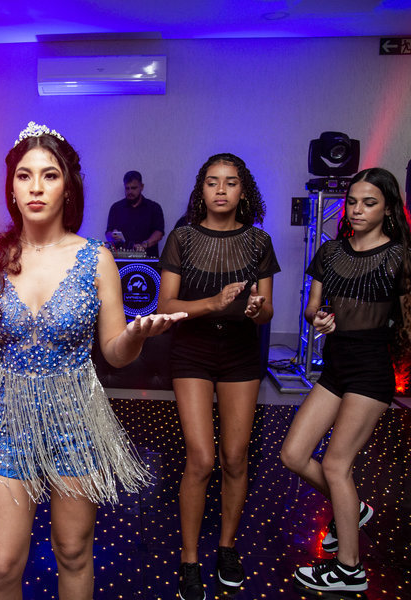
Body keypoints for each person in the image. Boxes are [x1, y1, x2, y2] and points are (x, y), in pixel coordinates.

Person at [0, 121, 184, 599]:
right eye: (24, 176)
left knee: (73, 551)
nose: (36, 187)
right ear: (12, 187)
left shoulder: (96, 259)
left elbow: (115, 353)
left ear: (68, 187)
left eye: (49, 175)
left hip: (77, 420)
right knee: (2, 564)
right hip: (11, 422)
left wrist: (135, 336)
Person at [280, 167, 411, 593]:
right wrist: (318, 319)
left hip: (371, 371)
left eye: (369, 203)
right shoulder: (330, 251)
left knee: (336, 465)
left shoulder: (399, 257)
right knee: (293, 454)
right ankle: (354, 508)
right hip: (335, 368)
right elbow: (312, 307)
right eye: (353, 202)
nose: (357, 210)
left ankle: (349, 569)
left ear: (388, 209)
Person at [156, 153, 279, 600]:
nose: (221, 190)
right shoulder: (183, 238)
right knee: (202, 459)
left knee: (236, 457)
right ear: (201, 190)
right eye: (212, 182)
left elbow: (266, 312)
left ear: (243, 191)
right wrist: (213, 303)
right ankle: (189, 559)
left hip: (241, 354)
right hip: (192, 350)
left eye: (230, 182)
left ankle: (226, 547)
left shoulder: (259, 241)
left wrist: (255, 309)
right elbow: (166, 307)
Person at [105, 170, 165, 257]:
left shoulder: (154, 208)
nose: (130, 192)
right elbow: (108, 233)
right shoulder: (116, 208)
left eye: (134, 188)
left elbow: (159, 233)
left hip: (147, 258)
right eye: (127, 188)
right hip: (121, 259)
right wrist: (112, 236)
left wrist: (144, 245)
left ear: (142, 187)